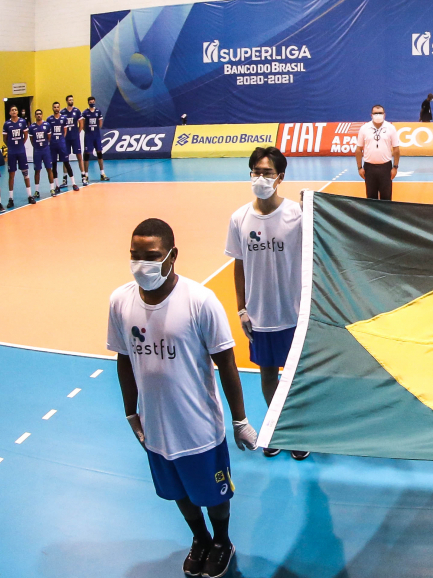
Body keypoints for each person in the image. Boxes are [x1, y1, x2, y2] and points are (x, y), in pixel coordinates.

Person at [109, 218, 258, 578]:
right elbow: (124, 361)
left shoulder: (200, 301)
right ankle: (200, 538)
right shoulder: (120, 301)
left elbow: (227, 364)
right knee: (177, 492)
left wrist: (240, 421)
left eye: (152, 256)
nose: (142, 264)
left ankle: (222, 540)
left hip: (199, 430)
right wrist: (132, 414)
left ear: (173, 255)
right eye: (135, 255)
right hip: (156, 429)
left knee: (214, 494)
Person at [225, 147, 308, 460]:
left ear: (280, 177)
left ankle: (298, 430)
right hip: (260, 316)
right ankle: (275, 428)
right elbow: (238, 264)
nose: (260, 178)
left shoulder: (297, 214)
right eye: (256, 172)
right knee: (268, 374)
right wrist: (241, 308)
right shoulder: (239, 219)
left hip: (294, 313)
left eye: (267, 172)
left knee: (296, 377)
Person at [355, 104, 399, 201]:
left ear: (384, 114)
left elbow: (396, 149)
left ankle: (386, 216)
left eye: (380, 113)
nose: (378, 115)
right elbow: (358, 149)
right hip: (369, 168)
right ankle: (371, 216)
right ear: (371, 115)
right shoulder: (364, 128)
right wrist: (359, 167)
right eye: (375, 113)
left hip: (385, 168)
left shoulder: (391, 128)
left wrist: (395, 167)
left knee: (386, 198)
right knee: (371, 198)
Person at [3, 106, 34, 207]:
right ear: (10, 112)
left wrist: (20, 144)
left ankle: (30, 195)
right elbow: (5, 139)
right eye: (12, 110)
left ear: (18, 112)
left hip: (21, 151)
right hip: (12, 152)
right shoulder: (7, 124)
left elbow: (25, 136)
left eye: (16, 110)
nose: (14, 111)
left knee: (25, 173)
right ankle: (11, 199)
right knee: (11, 175)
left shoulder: (22, 122)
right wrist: (11, 146)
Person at [47, 102, 79, 192]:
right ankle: (57, 185)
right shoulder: (49, 119)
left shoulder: (63, 118)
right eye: (55, 107)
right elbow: (48, 132)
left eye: (58, 107)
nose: (56, 108)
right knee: (54, 165)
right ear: (52, 108)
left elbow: (65, 131)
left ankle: (74, 183)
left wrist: (61, 139)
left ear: (59, 108)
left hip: (61, 144)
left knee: (66, 163)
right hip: (53, 145)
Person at [27, 109, 56, 198]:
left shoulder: (47, 125)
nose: (39, 115)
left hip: (46, 150)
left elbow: (49, 138)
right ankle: (36, 191)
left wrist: (44, 146)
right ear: (35, 116)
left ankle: (52, 189)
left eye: (40, 114)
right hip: (37, 151)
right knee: (37, 170)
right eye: (37, 114)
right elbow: (32, 140)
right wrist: (36, 147)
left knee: (49, 169)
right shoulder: (32, 127)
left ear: (42, 115)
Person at [81, 96, 109, 183]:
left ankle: (102, 174)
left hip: (96, 136)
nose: (92, 103)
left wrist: (97, 130)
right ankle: (86, 175)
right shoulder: (85, 112)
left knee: (99, 153)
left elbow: (100, 122)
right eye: (90, 101)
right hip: (89, 136)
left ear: (95, 102)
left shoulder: (98, 111)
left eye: (93, 101)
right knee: (87, 154)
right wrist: (88, 131)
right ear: (88, 102)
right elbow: (83, 124)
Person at [61, 95, 83, 187]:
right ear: (66, 101)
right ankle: (65, 179)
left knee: (79, 156)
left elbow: (81, 124)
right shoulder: (63, 112)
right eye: (69, 100)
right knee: (65, 158)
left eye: (72, 100)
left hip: (75, 138)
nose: (71, 101)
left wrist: (77, 133)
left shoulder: (77, 111)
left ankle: (83, 176)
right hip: (66, 139)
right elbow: (61, 125)